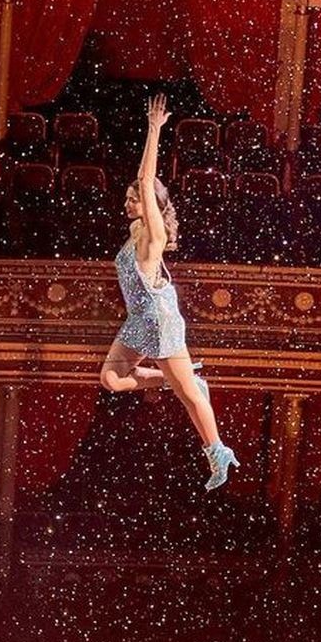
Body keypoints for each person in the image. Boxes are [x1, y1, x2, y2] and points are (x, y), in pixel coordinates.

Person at [99, 95, 238, 492]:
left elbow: (146, 180)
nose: (128, 203)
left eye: (134, 199)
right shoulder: (134, 230)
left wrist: (154, 129)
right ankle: (175, 379)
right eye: (127, 198)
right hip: (138, 319)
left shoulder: (153, 234)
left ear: (151, 205)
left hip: (158, 321)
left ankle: (217, 450)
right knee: (111, 379)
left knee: (190, 397)